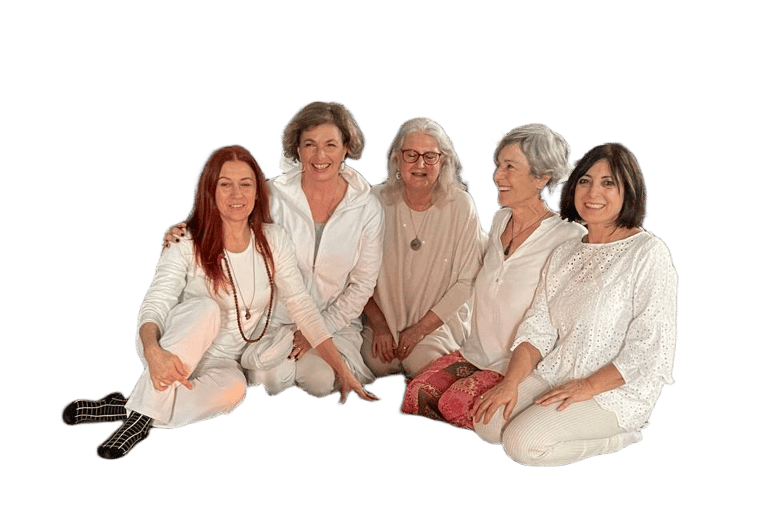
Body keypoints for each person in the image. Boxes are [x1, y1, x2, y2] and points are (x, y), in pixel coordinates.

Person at [60, 144, 378, 460]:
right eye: (225, 184)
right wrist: (154, 352)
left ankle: (129, 407)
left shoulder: (274, 240)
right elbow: (156, 303)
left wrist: (341, 369)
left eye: (246, 184)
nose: (236, 194)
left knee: (234, 390)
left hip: (223, 360)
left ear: (258, 192)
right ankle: (138, 424)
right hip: (170, 346)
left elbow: (302, 306)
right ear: (210, 191)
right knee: (207, 309)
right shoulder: (185, 240)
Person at [472, 141, 677, 467]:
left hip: (616, 390)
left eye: (608, 183)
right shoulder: (565, 253)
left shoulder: (648, 253)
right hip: (559, 372)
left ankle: (623, 436)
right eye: (585, 180)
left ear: (629, 190)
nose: (593, 192)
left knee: (521, 443)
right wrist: (510, 384)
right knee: (488, 422)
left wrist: (588, 386)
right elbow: (537, 329)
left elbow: (648, 349)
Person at [401, 124, 585, 429]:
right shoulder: (500, 220)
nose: (498, 176)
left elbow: (569, 322)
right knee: (417, 393)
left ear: (541, 178)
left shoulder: (568, 236)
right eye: (499, 165)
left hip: (520, 365)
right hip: (475, 353)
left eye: (510, 167)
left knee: (454, 405)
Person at [240, 100, 384, 397]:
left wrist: (316, 329)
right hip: (274, 320)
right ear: (297, 148)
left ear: (346, 148)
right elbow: (228, 224)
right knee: (269, 379)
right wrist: (183, 233)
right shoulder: (272, 196)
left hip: (334, 323)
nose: (320, 156)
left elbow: (362, 285)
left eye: (330, 145)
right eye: (310, 145)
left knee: (319, 381)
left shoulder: (367, 208)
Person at [360, 117, 486, 378]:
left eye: (430, 156)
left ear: (443, 161)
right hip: (382, 325)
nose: (420, 164)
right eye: (411, 155)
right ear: (398, 158)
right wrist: (379, 325)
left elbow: (467, 281)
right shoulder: (374, 201)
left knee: (425, 368)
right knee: (370, 365)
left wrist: (419, 331)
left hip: (437, 326)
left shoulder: (460, 205)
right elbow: (354, 274)